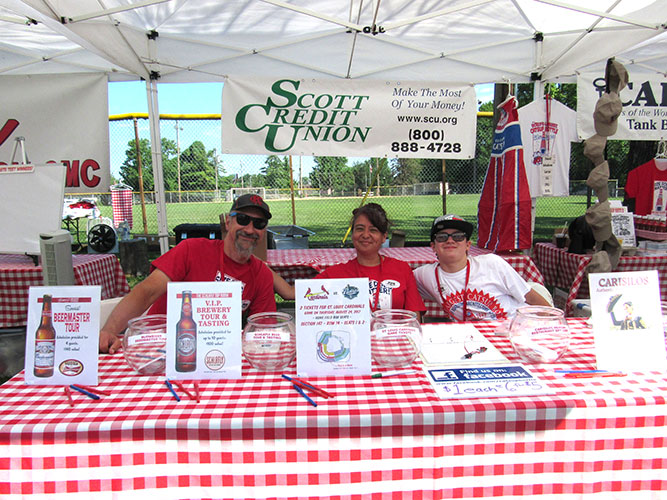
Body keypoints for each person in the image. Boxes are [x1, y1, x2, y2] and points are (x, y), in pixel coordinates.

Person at [99, 194, 277, 353]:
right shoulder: (191, 250)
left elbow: (264, 331)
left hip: (214, 353)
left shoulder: (261, 274)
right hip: (156, 347)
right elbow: (147, 291)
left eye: (259, 224)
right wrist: (109, 330)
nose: (250, 229)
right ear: (228, 223)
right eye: (243, 219)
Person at [414, 214, 549, 321]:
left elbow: (532, 298)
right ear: (433, 246)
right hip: (472, 338)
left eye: (458, 236)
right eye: (442, 237)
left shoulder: (492, 264)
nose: (450, 240)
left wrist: (555, 324)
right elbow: (399, 283)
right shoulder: (424, 275)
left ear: (468, 245)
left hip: (514, 328)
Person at [317, 203, 425, 319]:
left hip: (392, 336)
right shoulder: (336, 273)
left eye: (373, 230)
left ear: (384, 237)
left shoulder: (402, 269)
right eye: (360, 229)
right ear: (352, 234)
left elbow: (413, 318)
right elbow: (302, 292)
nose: (365, 235)